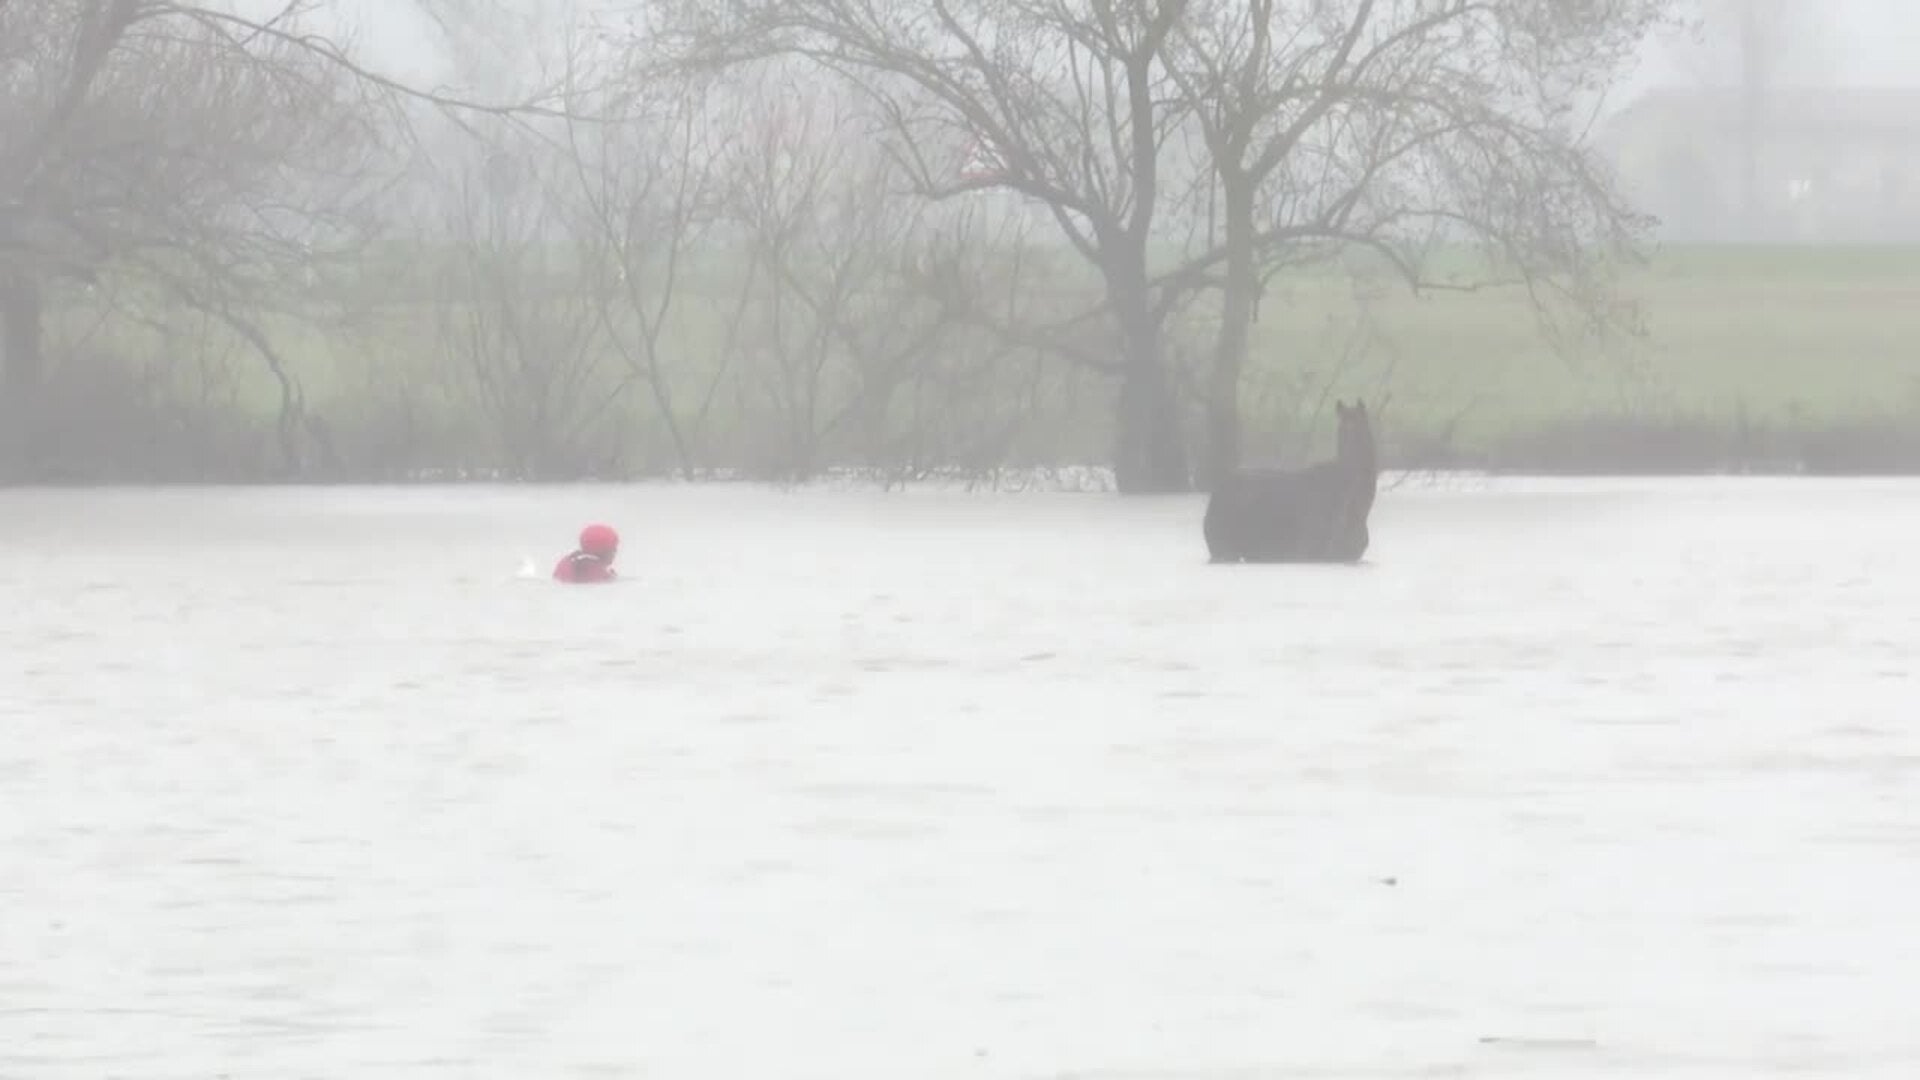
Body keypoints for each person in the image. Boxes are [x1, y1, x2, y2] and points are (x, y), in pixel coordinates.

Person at [553, 523, 620, 583]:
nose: (616, 551)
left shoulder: (571, 560)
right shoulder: (595, 570)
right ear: (605, 550)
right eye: (613, 548)